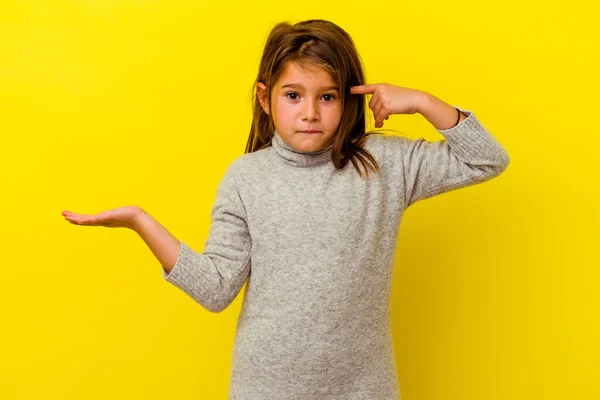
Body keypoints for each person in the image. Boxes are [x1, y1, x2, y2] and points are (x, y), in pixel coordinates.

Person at [62, 19, 509, 400]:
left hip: (363, 387)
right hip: (266, 387)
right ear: (265, 98)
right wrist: (141, 222)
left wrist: (423, 102)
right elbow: (216, 289)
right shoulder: (246, 178)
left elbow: (487, 159)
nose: (310, 112)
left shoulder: (384, 164)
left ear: (349, 99)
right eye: (293, 95)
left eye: (327, 97)